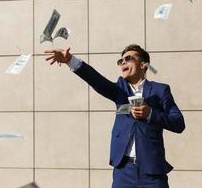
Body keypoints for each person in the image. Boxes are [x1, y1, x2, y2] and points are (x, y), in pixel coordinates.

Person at [45, 44, 185, 188]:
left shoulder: (160, 90)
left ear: (143, 65)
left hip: (152, 172)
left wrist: (150, 114)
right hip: (123, 171)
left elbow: (179, 123)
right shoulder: (119, 89)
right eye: (121, 61)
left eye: (128, 58)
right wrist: (70, 60)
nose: (123, 62)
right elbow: (96, 80)